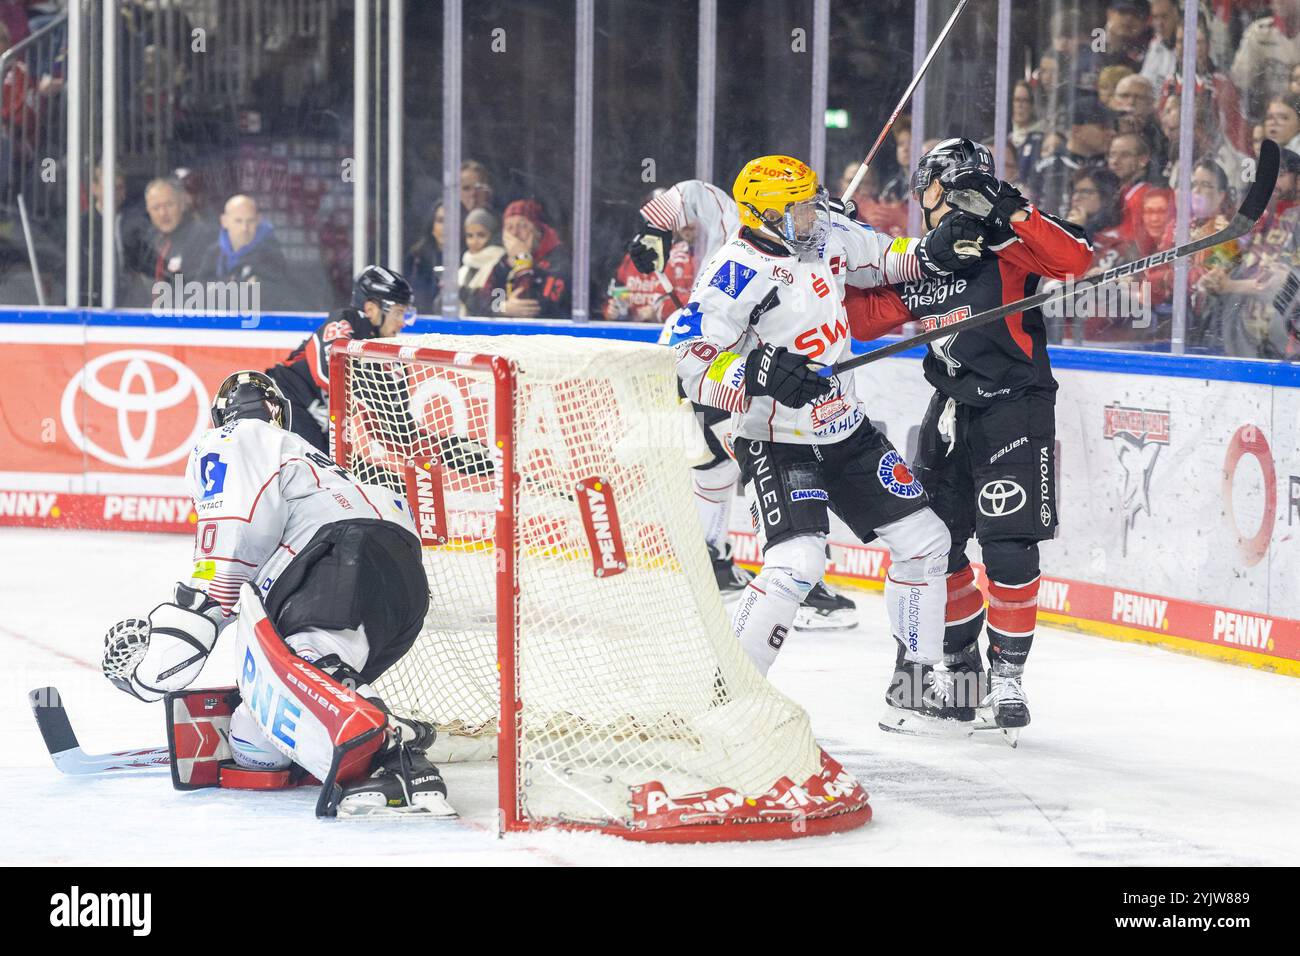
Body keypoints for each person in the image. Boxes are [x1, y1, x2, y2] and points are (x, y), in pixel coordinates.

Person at [672, 154, 982, 729]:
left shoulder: (830, 234)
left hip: (847, 430)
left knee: (925, 541)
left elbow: (886, 260)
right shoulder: (735, 270)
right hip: (777, 439)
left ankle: (913, 690)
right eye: (800, 207)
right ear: (766, 213)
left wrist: (939, 247)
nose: (814, 214)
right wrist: (757, 372)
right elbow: (686, 360)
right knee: (798, 560)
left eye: (814, 202)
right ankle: (730, 698)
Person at [100, 371, 453, 816]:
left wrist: (147, 674)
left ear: (220, 417)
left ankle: (393, 750)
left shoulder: (232, 439)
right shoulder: (306, 458)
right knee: (275, 708)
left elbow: (227, 555)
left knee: (305, 664)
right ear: (282, 415)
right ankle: (384, 728)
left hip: (340, 553)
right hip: (401, 582)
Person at [872, 139, 1093, 737]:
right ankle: (960, 676)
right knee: (931, 545)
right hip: (949, 413)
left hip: (1013, 410)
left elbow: (1075, 261)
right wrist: (823, 258)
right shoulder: (920, 260)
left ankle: (1009, 678)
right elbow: (864, 316)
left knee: (1008, 546)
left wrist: (1014, 214)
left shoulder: (1009, 245)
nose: (928, 199)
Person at [627, 176, 860, 630]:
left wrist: (844, 227)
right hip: (723, 363)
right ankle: (793, 577)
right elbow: (683, 195)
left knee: (719, 466)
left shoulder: (796, 224)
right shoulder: (728, 211)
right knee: (765, 462)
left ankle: (714, 564)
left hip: (763, 362)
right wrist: (652, 231)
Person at [266, 265, 416, 453]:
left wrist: (444, 448)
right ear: (371, 309)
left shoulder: (382, 353)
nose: (402, 322)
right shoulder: (345, 321)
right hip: (281, 401)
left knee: (345, 471)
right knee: (322, 471)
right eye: (398, 312)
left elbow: (390, 425)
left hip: (314, 418)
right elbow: (328, 371)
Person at [471, 199, 570, 319]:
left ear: (537, 231)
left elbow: (533, 307)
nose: (515, 233)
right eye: (509, 227)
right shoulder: (505, 264)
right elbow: (481, 303)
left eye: (522, 226)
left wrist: (523, 262)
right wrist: (502, 308)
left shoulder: (558, 260)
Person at [197, 195, 294, 310]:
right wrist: (238, 284)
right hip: (218, 324)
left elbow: (267, 297)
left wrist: (221, 287)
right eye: (238, 221)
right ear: (224, 221)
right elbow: (198, 293)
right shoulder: (214, 252)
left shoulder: (270, 254)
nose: (244, 228)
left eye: (250, 221)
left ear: (258, 220)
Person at [128, 177, 218, 288]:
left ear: (182, 204)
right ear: (148, 210)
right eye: (156, 208)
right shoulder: (148, 239)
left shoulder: (202, 236)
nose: (163, 213)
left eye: (169, 205)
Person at [457, 208, 505, 314]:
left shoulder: (500, 266)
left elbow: (492, 305)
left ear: (492, 236)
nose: (474, 242)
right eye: (470, 236)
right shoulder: (464, 268)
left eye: (481, 235)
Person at [404, 201, 446, 314]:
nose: (446, 227)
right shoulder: (417, 257)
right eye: (441, 221)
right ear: (432, 226)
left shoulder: (469, 258)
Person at [1141, 0, 1180, 89]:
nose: (1159, 23)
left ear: (1176, 15)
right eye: (1155, 17)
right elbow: (1145, 81)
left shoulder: (1189, 45)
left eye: (1164, 17)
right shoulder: (1155, 44)